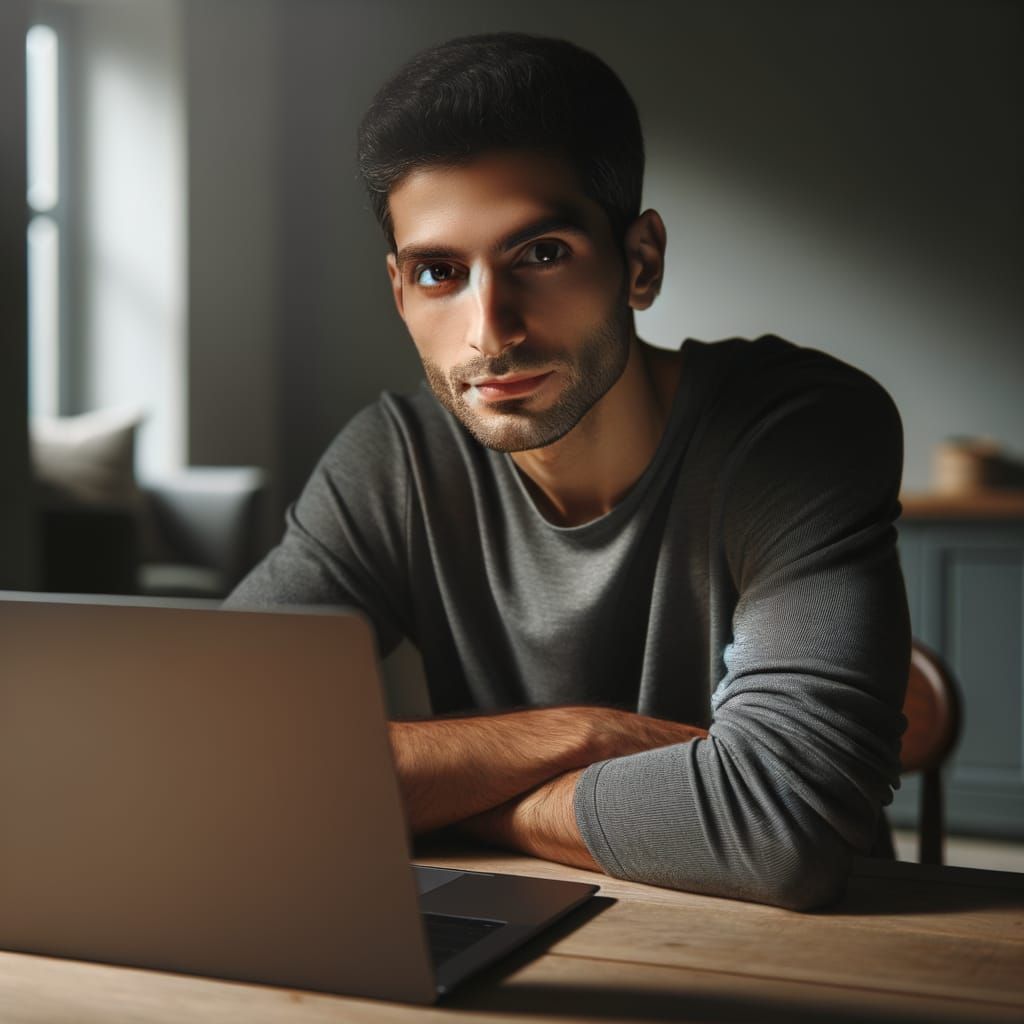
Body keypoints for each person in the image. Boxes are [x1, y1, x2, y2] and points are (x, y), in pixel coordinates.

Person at [227, 32, 910, 910]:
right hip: (521, 927)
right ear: (400, 291)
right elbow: (209, 748)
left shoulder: (797, 430)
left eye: (541, 254)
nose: (491, 331)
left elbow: (778, 826)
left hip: (802, 948)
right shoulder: (394, 460)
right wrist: (583, 735)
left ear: (640, 262)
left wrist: (454, 798)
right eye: (440, 272)